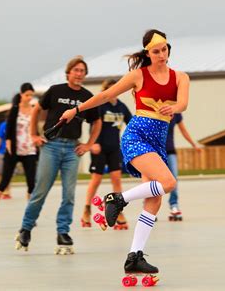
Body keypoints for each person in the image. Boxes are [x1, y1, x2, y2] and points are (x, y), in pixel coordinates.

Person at [60, 30, 189, 277]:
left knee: (155, 199)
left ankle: (134, 257)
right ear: (147, 54)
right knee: (168, 182)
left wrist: (174, 106)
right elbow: (107, 95)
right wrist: (76, 110)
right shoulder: (138, 75)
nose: (161, 54)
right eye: (155, 51)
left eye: (164, 49)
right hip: (136, 135)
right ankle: (118, 199)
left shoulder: (181, 77)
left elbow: (182, 103)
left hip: (158, 140)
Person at [15, 56, 101, 254]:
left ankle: (63, 231)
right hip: (51, 146)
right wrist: (33, 135)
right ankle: (26, 229)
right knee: (40, 191)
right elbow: (37, 110)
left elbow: (96, 121)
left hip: (72, 149)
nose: (79, 74)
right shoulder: (56, 91)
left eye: (82, 71)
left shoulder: (87, 96)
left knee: (69, 194)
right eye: (76, 70)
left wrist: (89, 144)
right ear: (68, 72)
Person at [0, 83, 37, 228]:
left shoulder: (33, 110)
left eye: (31, 95)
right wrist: (8, 143)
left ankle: (30, 214)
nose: (29, 98)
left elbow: (35, 129)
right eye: (27, 95)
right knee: (4, 181)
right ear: (21, 95)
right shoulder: (15, 109)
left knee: (32, 183)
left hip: (30, 150)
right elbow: (9, 128)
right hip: (14, 150)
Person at [81, 79, 132, 229]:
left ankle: (118, 210)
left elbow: (131, 123)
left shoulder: (122, 107)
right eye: (110, 89)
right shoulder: (101, 105)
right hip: (99, 147)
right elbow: (94, 124)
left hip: (114, 148)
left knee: (116, 179)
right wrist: (92, 143)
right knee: (96, 179)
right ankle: (87, 209)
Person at [165, 113, 199, 221]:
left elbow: (183, 130)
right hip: (155, 151)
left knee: (174, 178)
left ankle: (174, 205)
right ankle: (148, 207)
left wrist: (194, 145)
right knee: (153, 180)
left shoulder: (176, 114)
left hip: (170, 151)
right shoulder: (157, 107)